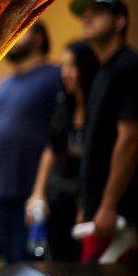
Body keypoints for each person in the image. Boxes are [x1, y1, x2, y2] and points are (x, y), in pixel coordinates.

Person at [69, 0, 138, 263]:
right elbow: (97, 144)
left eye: (98, 12)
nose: (87, 17)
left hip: (122, 217)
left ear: (120, 21)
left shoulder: (131, 66)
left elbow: (130, 140)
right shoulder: (103, 71)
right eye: (85, 13)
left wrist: (109, 205)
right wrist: (87, 204)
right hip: (100, 213)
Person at [0, 21, 63, 264]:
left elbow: (63, 130)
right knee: (9, 266)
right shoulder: (5, 83)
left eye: (21, 31)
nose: (12, 37)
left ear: (39, 38)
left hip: (31, 190)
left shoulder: (54, 75)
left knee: (33, 267)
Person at [25, 39, 100, 261]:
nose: (65, 73)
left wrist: (88, 204)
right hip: (60, 194)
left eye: (72, 66)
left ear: (85, 68)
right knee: (56, 258)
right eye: (63, 66)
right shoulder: (63, 102)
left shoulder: (98, 105)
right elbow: (51, 148)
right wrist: (38, 193)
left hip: (87, 196)